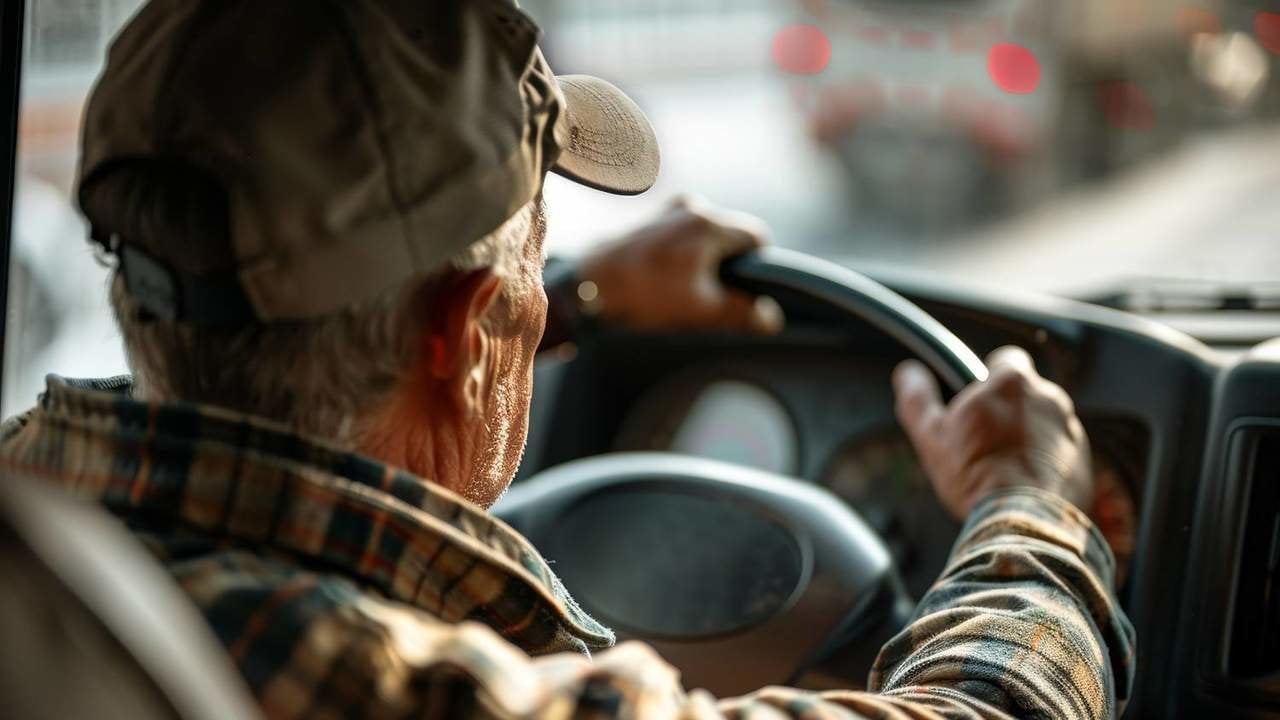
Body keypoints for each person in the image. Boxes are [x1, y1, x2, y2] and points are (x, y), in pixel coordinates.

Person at [0, 1, 1134, 718]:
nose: (545, 315)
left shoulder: (37, 548)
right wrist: (1023, 502)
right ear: (465, 326)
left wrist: (577, 300)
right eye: (535, 281)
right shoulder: (402, 682)